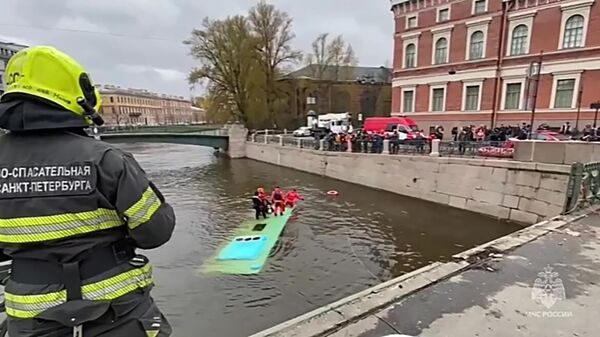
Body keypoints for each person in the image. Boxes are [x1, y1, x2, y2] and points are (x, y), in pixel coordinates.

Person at [0, 46, 175, 337]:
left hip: (30, 316)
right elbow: (156, 232)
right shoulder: (106, 160)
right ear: (77, 95)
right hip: (116, 312)